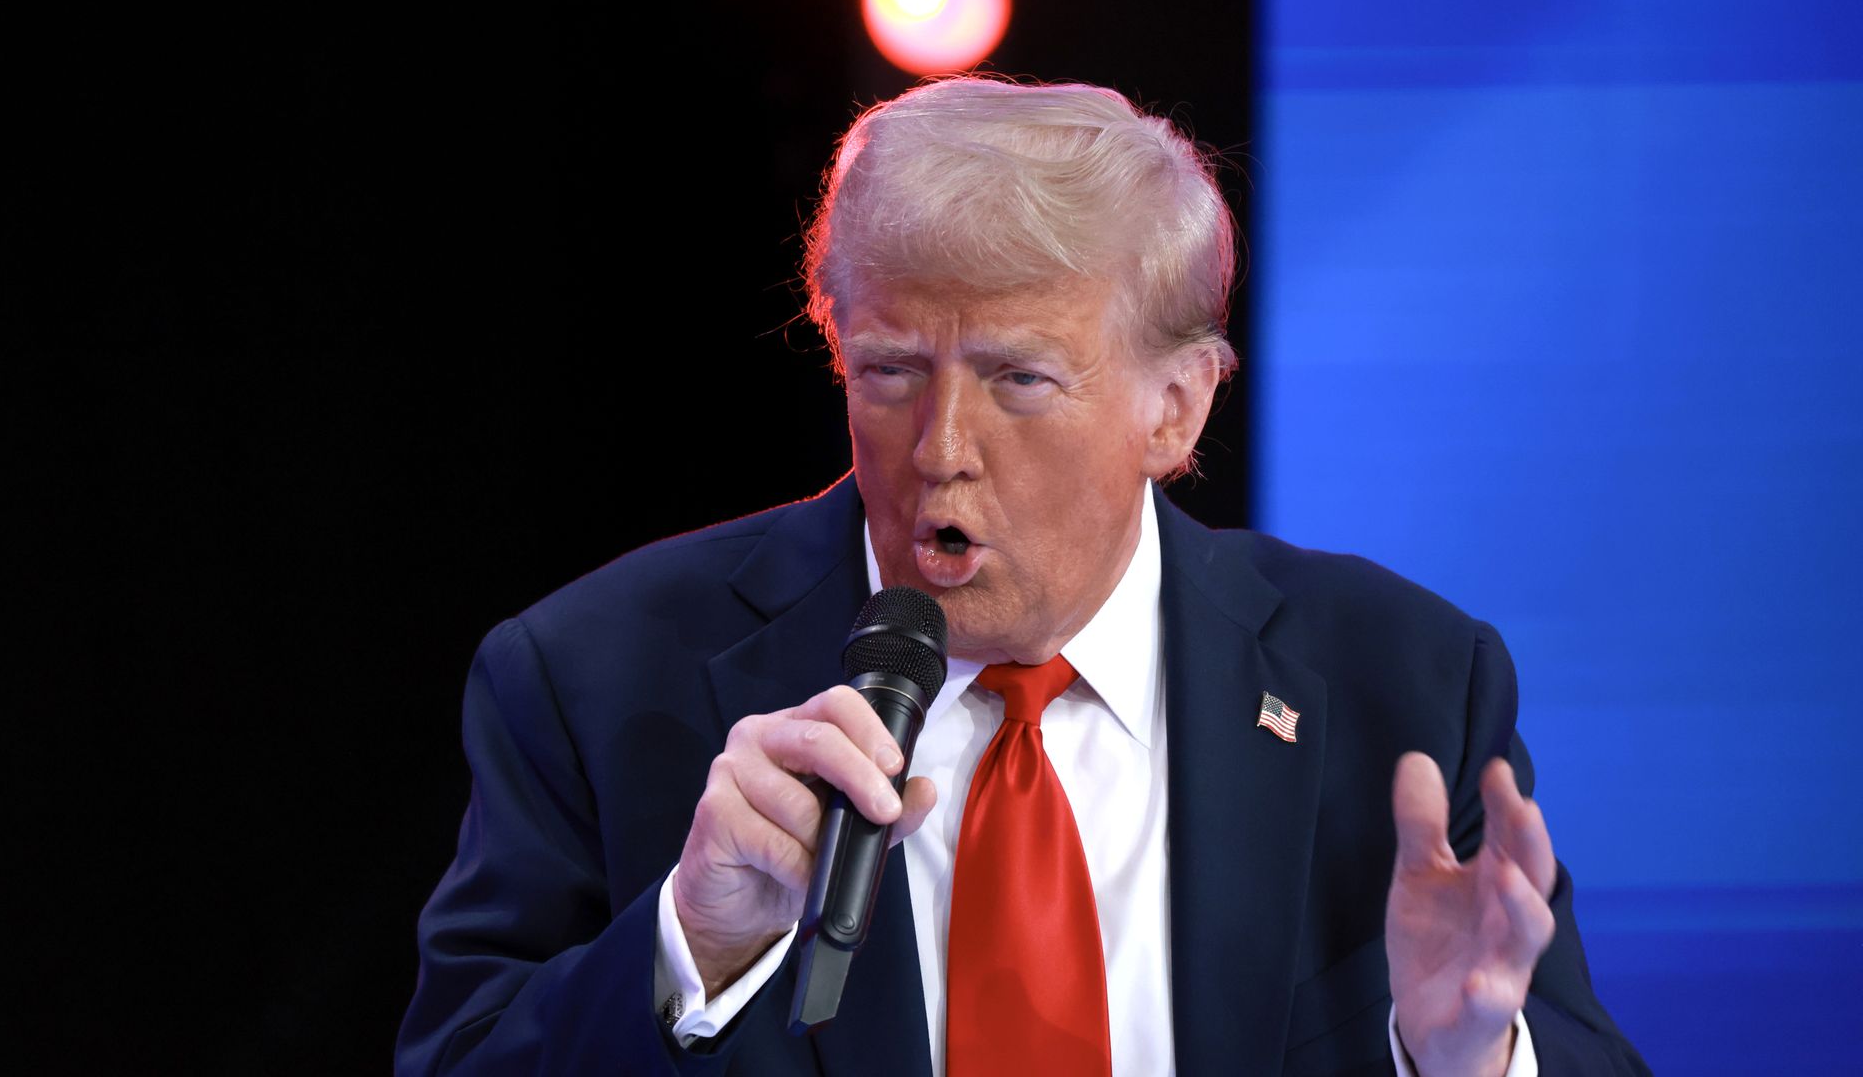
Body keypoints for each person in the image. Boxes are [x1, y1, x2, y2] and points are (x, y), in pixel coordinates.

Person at [397, 77, 1648, 1076]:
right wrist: (694, 947)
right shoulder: (595, 679)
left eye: (1018, 379)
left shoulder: (1401, 685)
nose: (940, 451)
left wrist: (1467, 1061)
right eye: (890, 370)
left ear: (1175, 410)